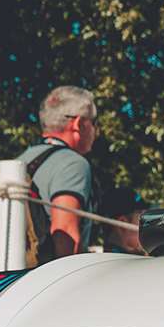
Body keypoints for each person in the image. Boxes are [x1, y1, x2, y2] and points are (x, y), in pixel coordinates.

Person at [29, 85, 103, 262]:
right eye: (94, 123)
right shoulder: (73, 163)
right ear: (78, 124)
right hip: (45, 281)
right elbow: (66, 234)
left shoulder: (22, 161)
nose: (95, 131)